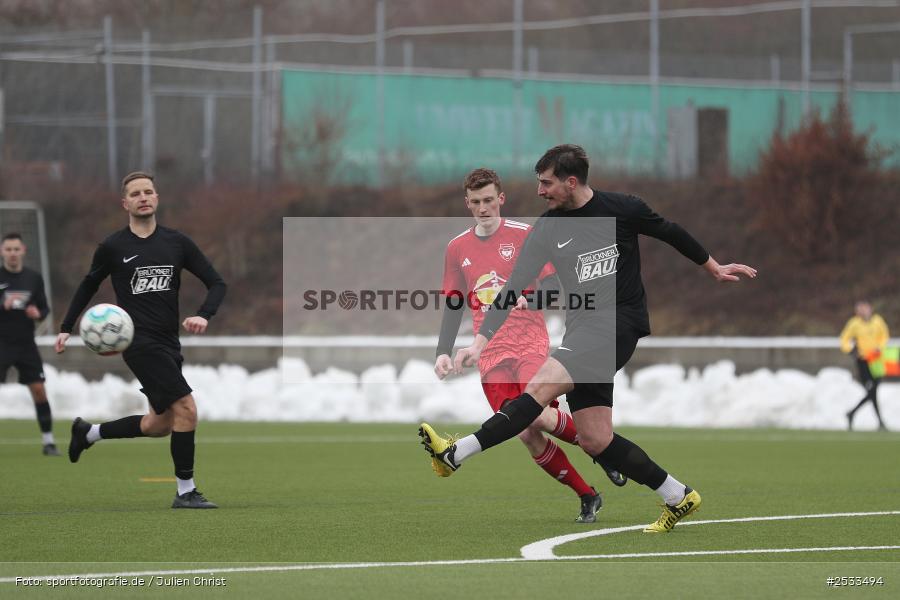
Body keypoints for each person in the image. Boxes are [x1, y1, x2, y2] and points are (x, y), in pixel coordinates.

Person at [420, 144, 756, 533]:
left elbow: (670, 231)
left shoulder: (623, 208)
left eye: (546, 183)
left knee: (535, 392)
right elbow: (511, 289)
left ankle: (455, 454)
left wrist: (712, 266)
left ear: (571, 181)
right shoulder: (547, 228)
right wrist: (480, 342)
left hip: (618, 323)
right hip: (583, 330)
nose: (540, 191)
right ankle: (678, 496)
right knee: (596, 440)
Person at [429, 167, 625, 524]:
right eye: (476, 202)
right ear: (467, 204)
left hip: (529, 341)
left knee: (534, 412)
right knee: (524, 431)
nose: (484, 208)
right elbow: (454, 303)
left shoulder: (526, 235)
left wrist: (530, 302)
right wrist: (442, 350)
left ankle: (605, 450)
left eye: (489, 200)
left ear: (500, 199)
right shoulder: (457, 248)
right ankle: (587, 494)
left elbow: (555, 285)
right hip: (488, 350)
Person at [55, 171, 226, 509]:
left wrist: (204, 314)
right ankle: (185, 491)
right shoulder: (113, 247)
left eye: (148, 191)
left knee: (160, 424)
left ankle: (88, 433)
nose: (143, 197)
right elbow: (88, 284)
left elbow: (217, 283)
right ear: (125, 203)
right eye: (136, 194)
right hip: (137, 342)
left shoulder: (177, 243)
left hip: (168, 343)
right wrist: (66, 325)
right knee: (187, 409)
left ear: (157, 198)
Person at [1, 232, 58, 456]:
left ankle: (49, 442)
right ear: (2, 251)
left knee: (39, 390)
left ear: (23, 251)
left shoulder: (33, 278)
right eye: (8, 249)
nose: (13, 253)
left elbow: (44, 309)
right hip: (1, 342)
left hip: (26, 344)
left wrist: (38, 313)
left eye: (16, 249)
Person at [840, 300, 889, 431]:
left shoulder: (878, 321)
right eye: (859, 309)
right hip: (863, 361)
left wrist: (880, 347)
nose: (862, 312)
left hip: (877, 360)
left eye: (864, 309)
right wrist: (851, 351)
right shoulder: (854, 323)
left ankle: (852, 413)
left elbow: (884, 336)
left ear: (870, 309)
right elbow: (844, 339)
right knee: (871, 390)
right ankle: (880, 422)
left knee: (873, 391)